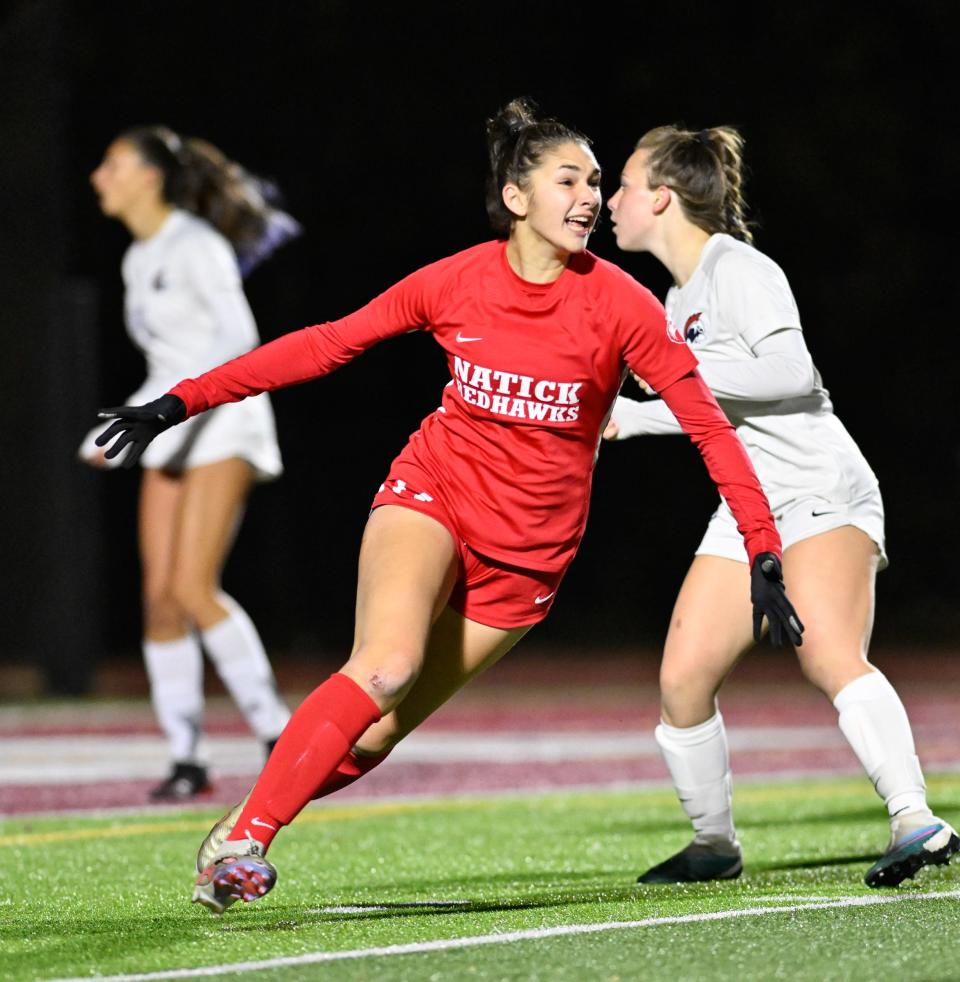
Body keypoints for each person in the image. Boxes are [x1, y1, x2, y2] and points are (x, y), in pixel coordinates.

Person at [94, 99, 802, 915]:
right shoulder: (457, 280)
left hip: (530, 556)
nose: (587, 197)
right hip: (434, 493)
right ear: (515, 196)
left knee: (376, 733)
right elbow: (327, 344)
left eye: (596, 181)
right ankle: (251, 840)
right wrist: (181, 400)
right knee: (384, 666)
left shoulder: (622, 305)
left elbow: (709, 428)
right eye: (568, 179)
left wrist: (762, 546)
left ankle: (238, 825)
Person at [604, 124, 958, 888]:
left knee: (828, 653)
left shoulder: (738, 267)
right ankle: (714, 845)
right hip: (748, 502)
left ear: (662, 197)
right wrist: (631, 418)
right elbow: (711, 404)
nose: (611, 200)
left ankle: (915, 821)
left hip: (819, 487)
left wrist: (672, 371)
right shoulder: (677, 295)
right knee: (681, 681)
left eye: (625, 184)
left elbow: (791, 370)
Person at [80, 126, 299, 800]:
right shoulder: (138, 258)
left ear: (149, 177)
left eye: (112, 164)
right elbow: (164, 361)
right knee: (160, 599)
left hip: (225, 418)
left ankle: (278, 734)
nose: (97, 177)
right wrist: (131, 418)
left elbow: (237, 341)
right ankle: (188, 758)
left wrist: (167, 412)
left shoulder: (196, 245)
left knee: (195, 587)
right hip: (171, 427)